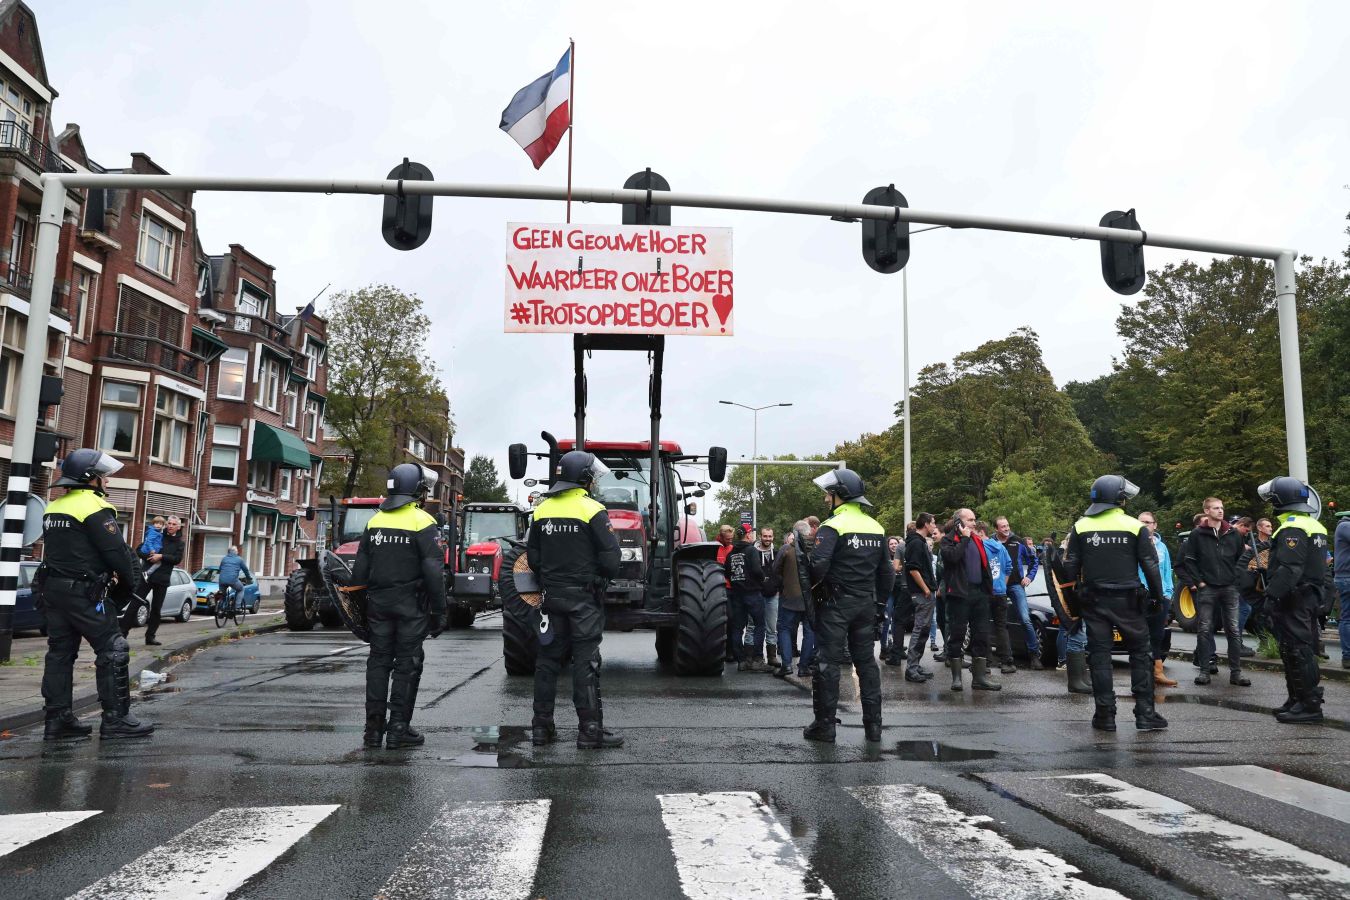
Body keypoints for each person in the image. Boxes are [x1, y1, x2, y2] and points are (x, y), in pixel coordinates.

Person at [39, 449, 153, 739]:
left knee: (59, 654)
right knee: (113, 649)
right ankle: (116, 720)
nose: (107, 482)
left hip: (53, 591)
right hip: (84, 593)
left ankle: (58, 721)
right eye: (103, 476)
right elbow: (118, 555)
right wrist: (127, 591)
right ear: (91, 479)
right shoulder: (93, 507)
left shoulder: (54, 507)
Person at [526, 451, 623, 748]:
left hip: (551, 598)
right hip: (583, 599)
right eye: (591, 476)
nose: (594, 480)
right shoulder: (592, 509)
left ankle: (542, 729)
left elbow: (533, 557)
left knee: (547, 662)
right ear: (583, 478)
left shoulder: (541, 510)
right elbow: (611, 560)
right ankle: (590, 731)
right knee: (586, 663)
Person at [351, 463, 447, 749]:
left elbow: (360, 571)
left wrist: (359, 610)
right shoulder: (423, 522)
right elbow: (433, 571)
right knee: (407, 665)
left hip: (378, 606)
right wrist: (440, 611)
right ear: (417, 490)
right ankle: (398, 731)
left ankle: (372, 731)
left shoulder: (375, 522)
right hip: (410, 608)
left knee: (378, 664)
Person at [1062, 475, 1168, 732]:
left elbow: (1069, 568)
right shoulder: (1134, 526)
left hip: (1094, 600)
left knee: (1099, 656)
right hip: (1129, 600)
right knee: (1140, 655)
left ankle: (1104, 715)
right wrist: (1157, 597)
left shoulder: (1081, 526)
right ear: (1118, 498)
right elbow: (1151, 566)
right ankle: (1145, 714)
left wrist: (1073, 601)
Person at [804, 468, 893, 743]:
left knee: (827, 663)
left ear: (839, 496)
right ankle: (874, 728)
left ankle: (825, 726)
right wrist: (879, 604)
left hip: (835, 604)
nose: (826, 500)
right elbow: (887, 573)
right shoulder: (876, 527)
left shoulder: (832, 526)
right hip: (866, 604)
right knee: (866, 663)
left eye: (828, 495)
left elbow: (818, 566)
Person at [1259, 477, 1329, 724]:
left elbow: (1290, 567)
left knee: (1298, 650)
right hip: (1307, 595)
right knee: (1295, 649)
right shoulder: (1313, 525)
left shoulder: (1292, 527)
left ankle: (1309, 705)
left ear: (1281, 500)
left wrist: (1271, 596)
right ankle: (1297, 700)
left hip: (1294, 597)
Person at [1182, 497, 1249, 687]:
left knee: (1234, 630)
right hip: (1208, 587)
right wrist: (1200, 582)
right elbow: (1189, 560)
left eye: (1222, 507)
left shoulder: (1233, 534)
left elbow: (1241, 560)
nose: (1220, 511)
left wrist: (1236, 581)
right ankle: (1204, 671)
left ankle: (1236, 673)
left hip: (1229, 587)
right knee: (1204, 629)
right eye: (1216, 508)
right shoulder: (1197, 534)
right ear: (1206, 511)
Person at [939, 509, 1001, 692]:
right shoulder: (948, 540)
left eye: (975, 520)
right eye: (971, 520)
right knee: (957, 635)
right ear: (959, 521)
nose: (974, 523)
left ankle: (979, 678)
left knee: (981, 635)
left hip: (979, 593)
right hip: (959, 594)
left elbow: (985, 565)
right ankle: (957, 678)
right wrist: (964, 538)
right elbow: (952, 557)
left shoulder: (977, 539)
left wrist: (988, 591)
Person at [995, 517, 1043, 669]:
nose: (1006, 528)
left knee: (1025, 619)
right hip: (998, 587)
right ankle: (1002, 656)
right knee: (999, 621)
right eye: (1003, 526)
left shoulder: (1018, 541)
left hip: (1016, 585)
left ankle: (1034, 655)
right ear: (996, 529)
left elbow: (1034, 561)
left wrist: (1029, 577)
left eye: (1007, 525)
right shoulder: (991, 542)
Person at [1136, 511, 1177, 687]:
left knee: (1157, 634)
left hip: (1161, 595)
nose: (1145, 525)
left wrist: (1168, 592)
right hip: (1140, 595)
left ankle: (1158, 672)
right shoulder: (1133, 544)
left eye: (1148, 522)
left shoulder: (1162, 547)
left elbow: (1167, 570)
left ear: (1155, 525)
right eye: (1141, 522)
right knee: (1140, 635)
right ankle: (1142, 674)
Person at [774, 520, 818, 678]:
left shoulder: (786, 549)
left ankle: (786, 665)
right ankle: (804, 666)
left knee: (784, 629)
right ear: (808, 533)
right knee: (810, 632)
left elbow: (775, 570)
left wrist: (784, 583)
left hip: (789, 597)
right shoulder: (816, 550)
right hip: (810, 598)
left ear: (794, 533)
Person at [900, 513, 940, 683]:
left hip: (925, 591)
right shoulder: (916, 542)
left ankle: (915, 665)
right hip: (922, 593)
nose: (934, 527)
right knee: (920, 629)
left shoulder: (919, 541)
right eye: (933, 524)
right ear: (925, 524)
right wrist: (925, 589)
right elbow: (913, 569)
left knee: (923, 630)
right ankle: (911, 669)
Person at [724, 524, 768, 672]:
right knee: (759, 625)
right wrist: (763, 578)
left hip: (737, 594)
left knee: (737, 628)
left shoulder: (731, 554)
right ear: (748, 535)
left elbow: (726, 572)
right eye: (752, 533)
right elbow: (756, 570)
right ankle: (757, 659)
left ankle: (741, 660)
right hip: (753, 593)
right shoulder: (752, 551)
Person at [978, 521, 1017, 675]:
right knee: (1001, 627)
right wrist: (1002, 585)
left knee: (984, 626)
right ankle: (1007, 661)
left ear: (981, 532)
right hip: (1000, 592)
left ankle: (986, 662)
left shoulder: (979, 547)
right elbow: (1009, 567)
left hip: (985, 592)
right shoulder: (1000, 547)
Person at [140, 516, 185, 646]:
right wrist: (150, 556)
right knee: (135, 603)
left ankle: (150, 637)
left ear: (178, 527)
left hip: (162, 579)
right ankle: (122, 633)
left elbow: (177, 559)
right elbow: (139, 550)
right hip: (146, 576)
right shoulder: (156, 534)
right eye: (169, 523)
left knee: (156, 609)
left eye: (173, 524)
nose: (170, 526)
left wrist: (161, 556)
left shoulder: (180, 543)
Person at [1237, 517, 1273, 643]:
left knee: (1265, 612)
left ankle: (1265, 640)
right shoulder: (1249, 544)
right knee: (1248, 611)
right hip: (1251, 584)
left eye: (1270, 526)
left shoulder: (1274, 544)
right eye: (1267, 526)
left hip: (1266, 583)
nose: (1270, 528)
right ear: (1259, 528)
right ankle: (1238, 640)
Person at [756, 526, 782, 669]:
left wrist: (778, 589)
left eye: (770, 536)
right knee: (755, 627)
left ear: (773, 537)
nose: (767, 538)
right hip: (757, 595)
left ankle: (772, 656)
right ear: (760, 536)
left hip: (773, 596)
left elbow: (781, 573)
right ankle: (756, 656)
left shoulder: (777, 553)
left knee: (772, 628)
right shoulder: (753, 553)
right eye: (765, 536)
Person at [715, 524, 736, 661]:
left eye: (731, 539)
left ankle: (731, 650)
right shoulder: (714, 548)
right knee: (725, 619)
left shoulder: (733, 549)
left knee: (733, 620)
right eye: (728, 539)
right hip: (718, 587)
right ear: (721, 537)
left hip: (732, 588)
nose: (730, 541)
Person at [217, 545, 253, 614]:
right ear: (235, 552)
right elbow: (245, 570)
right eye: (237, 551)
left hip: (222, 580)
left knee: (223, 595)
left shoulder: (224, 559)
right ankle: (237, 607)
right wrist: (249, 579)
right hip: (232, 580)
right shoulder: (239, 559)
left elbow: (220, 569)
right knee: (241, 589)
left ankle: (221, 609)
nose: (238, 552)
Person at [1336, 512, 1350, 671]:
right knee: (1347, 617)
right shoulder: (1345, 526)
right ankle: (1347, 656)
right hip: (1347, 577)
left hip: (1345, 577)